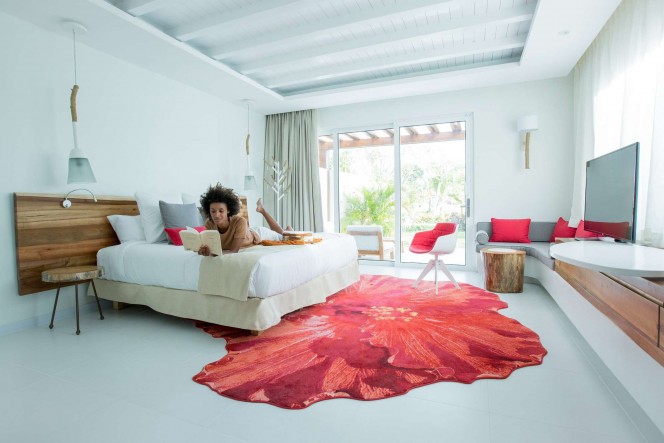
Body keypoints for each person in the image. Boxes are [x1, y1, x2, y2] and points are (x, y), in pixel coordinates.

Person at [198, 183, 292, 255]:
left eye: (221, 211)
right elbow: (213, 247)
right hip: (246, 232)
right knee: (282, 234)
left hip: (258, 234)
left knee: (285, 237)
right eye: (213, 211)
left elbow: (234, 251)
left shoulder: (240, 221)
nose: (216, 215)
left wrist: (212, 253)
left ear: (228, 210)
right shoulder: (209, 224)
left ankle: (263, 211)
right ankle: (285, 229)